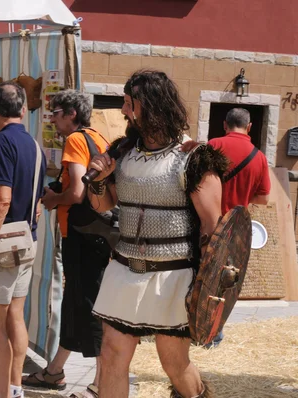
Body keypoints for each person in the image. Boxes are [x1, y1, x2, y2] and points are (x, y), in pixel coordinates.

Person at [87, 70, 228, 398]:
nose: (123, 110)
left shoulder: (193, 157)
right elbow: (102, 205)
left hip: (173, 276)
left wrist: (206, 288)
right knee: (111, 356)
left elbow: (214, 228)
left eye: (128, 103)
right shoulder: (122, 151)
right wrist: (98, 180)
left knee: (174, 363)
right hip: (124, 270)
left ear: (148, 105)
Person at [23, 90, 110, 398]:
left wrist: (52, 199)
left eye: (56, 113)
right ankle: (55, 371)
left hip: (80, 234)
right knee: (75, 302)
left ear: (72, 113)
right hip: (97, 234)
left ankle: (102, 384)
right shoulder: (98, 137)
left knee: (88, 305)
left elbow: (75, 194)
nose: (52, 119)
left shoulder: (75, 141)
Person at [0, 82, 46, 398]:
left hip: (4, 243)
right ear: (24, 109)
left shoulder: (2, 142)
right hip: (27, 238)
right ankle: (14, 389)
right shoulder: (34, 144)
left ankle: (3, 393)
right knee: (15, 313)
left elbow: (1, 199)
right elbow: (39, 204)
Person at [202, 107, 270, 348]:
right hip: (235, 230)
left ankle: (194, 328)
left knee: (199, 278)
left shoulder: (212, 145)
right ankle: (214, 334)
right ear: (249, 127)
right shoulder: (259, 156)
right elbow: (263, 199)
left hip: (206, 225)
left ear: (224, 124)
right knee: (226, 281)